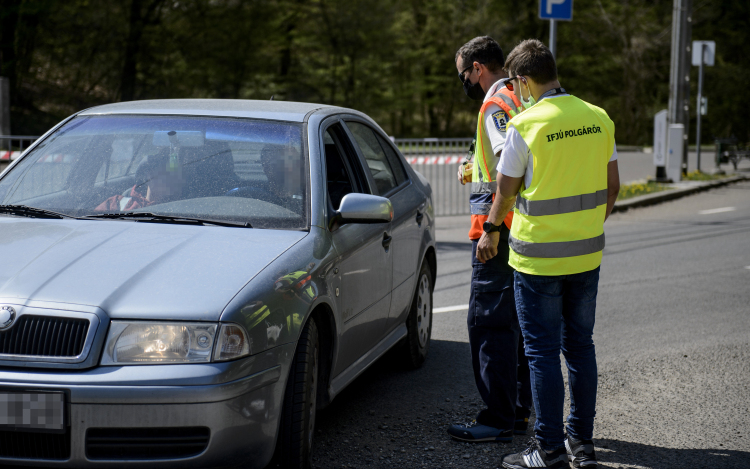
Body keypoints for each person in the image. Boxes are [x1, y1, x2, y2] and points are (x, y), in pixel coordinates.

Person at [473, 39, 620, 469]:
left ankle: (549, 449)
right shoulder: (598, 117)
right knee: (581, 347)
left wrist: (490, 233)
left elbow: (504, 192)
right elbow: (613, 187)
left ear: (522, 81)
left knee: (540, 353)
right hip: (587, 255)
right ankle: (582, 444)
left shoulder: (526, 124)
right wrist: (587, 226)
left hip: (537, 259)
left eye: (516, 87)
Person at [446, 36, 533, 444]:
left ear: (478, 68)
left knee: (488, 324)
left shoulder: (495, 105)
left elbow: (505, 166)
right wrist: (472, 166)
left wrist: (492, 230)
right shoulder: (524, 96)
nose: (464, 82)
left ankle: (497, 418)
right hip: (526, 229)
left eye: (464, 74)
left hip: (497, 233)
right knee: (517, 324)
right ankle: (520, 413)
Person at [95, 150, 184, 212]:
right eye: (165, 173)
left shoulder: (180, 209)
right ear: (148, 176)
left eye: (174, 174)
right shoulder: (117, 202)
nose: (171, 178)